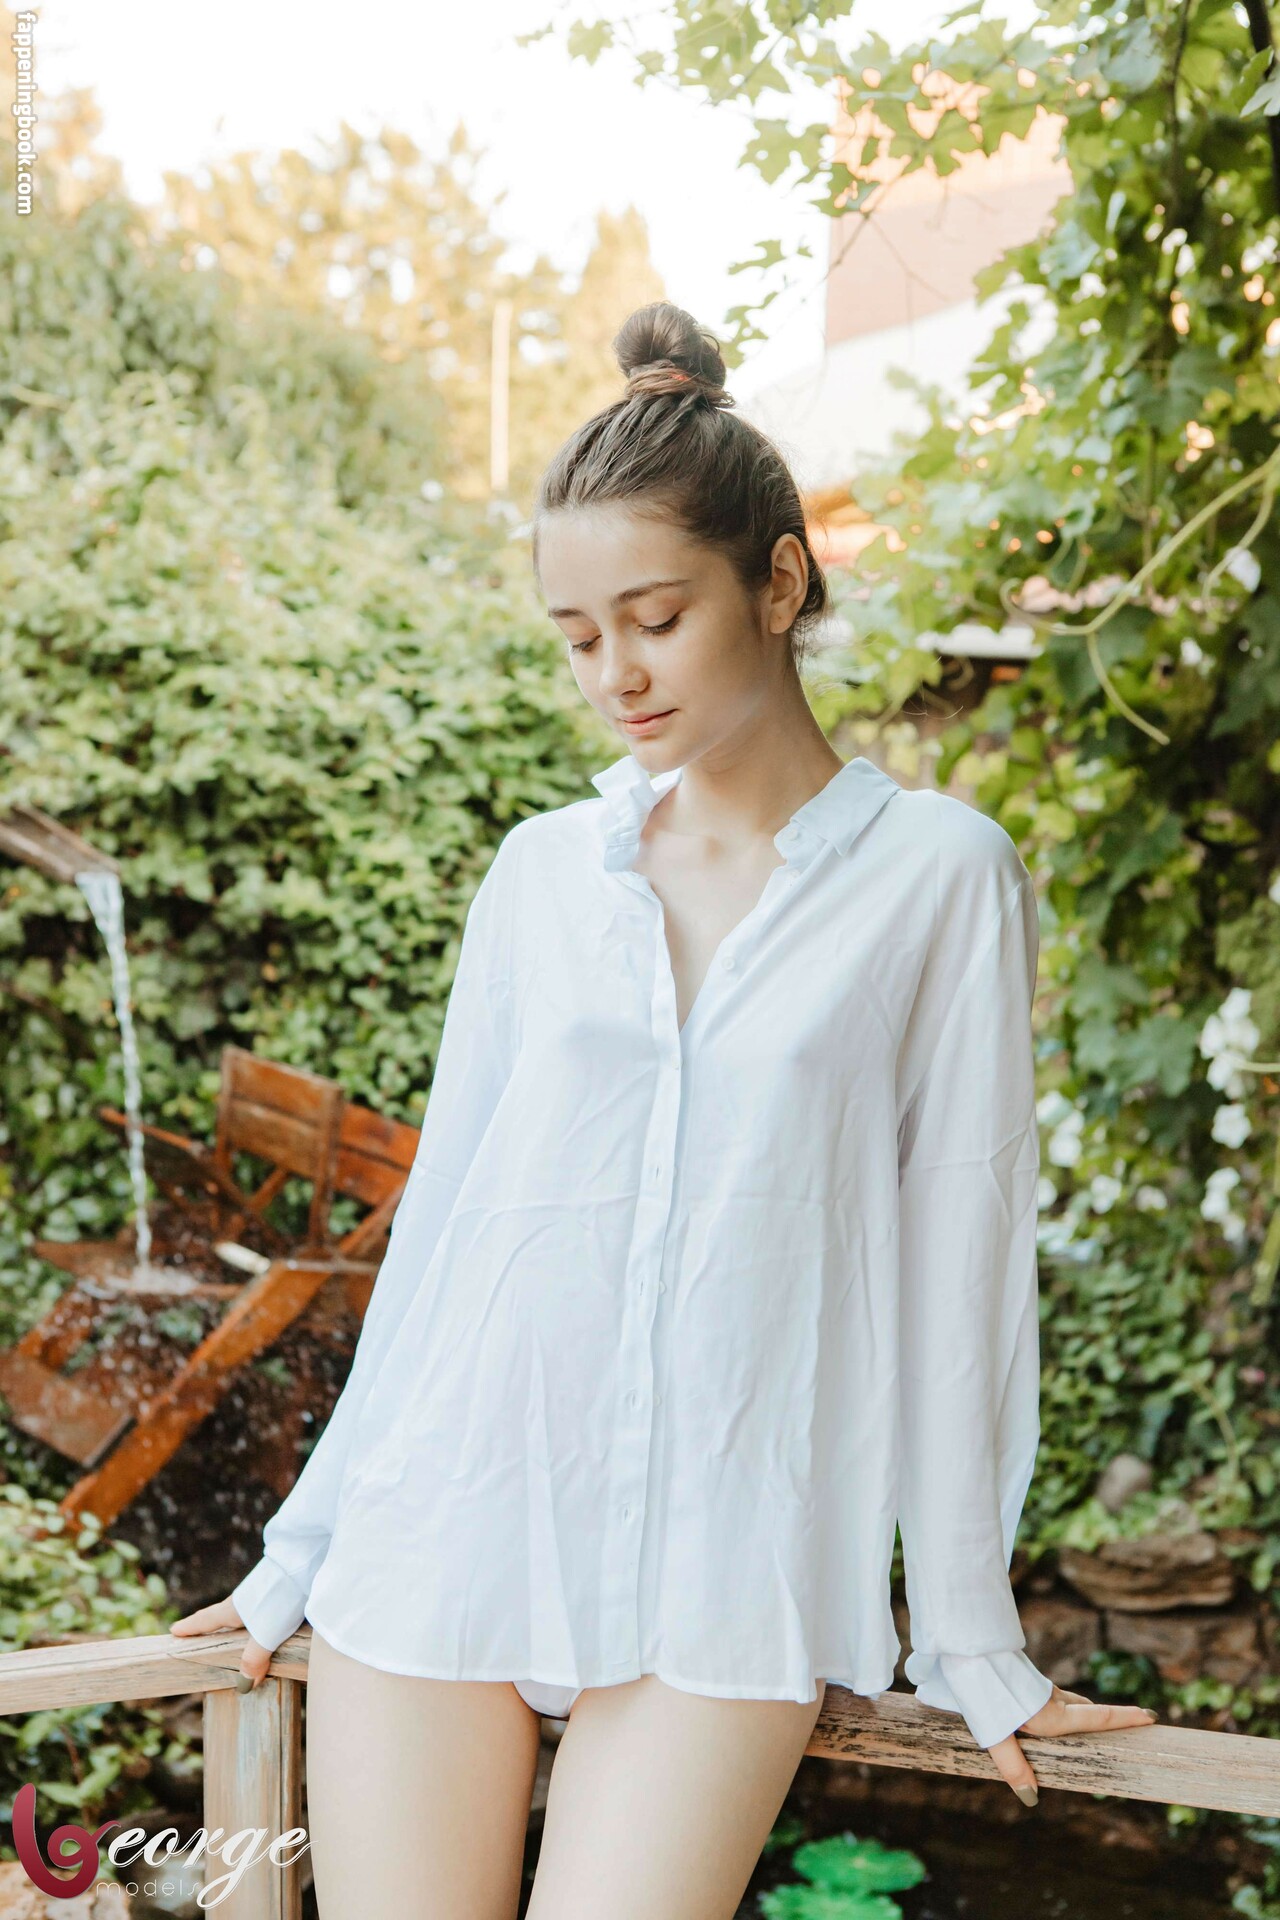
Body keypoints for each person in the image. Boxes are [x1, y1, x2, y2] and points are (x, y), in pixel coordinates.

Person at [171, 300, 1156, 1920]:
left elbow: (960, 1271)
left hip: (733, 1562)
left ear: (779, 582)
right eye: (577, 637)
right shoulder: (539, 875)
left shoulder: (938, 879)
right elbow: (449, 1230)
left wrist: (970, 1636)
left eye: (655, 617)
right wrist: (301, 1550)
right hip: (449, 1516)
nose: (615, 675)